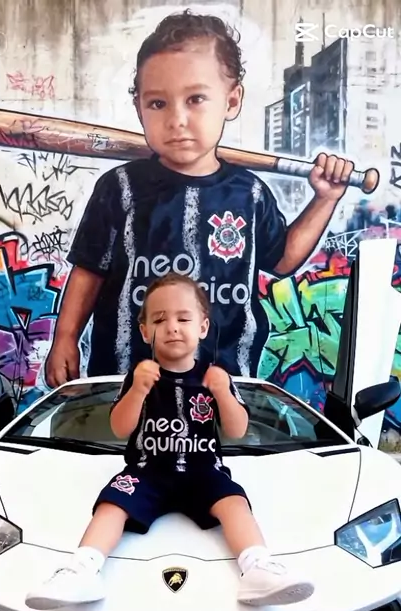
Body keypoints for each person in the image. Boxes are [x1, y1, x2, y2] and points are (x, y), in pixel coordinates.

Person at [44, 9, 354, 385]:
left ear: (231, 101)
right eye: (158, 103)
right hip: (128, 384)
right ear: (138, 108)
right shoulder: (120, 188)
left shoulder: (250, 193)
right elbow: (89, 270)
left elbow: (283, 260)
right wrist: (65, 337)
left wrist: (325, 199)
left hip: (224, 386)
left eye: (195, 99)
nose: (177, 119)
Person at [26, 273, 315, 610]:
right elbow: (120, 428)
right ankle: (81, 569)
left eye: (183, 318)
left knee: (235, 502)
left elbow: (237, 430)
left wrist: (223, 392)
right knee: (111, 504)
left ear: (203, 327)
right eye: (160, 319)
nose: (172, 327)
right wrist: (137, 390)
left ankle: (258, 568)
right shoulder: (139, 375)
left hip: (204, 471)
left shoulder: (215, 376)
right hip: (147, 472)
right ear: (145, 331)